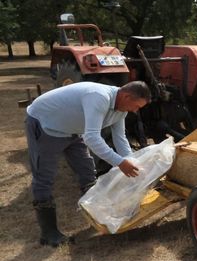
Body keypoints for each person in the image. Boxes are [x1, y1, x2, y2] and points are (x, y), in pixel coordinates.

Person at [25, 81, 151, 246]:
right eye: (136, 105)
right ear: (126, 96)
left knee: (87, 172)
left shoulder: (121, 110)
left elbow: (120, 140)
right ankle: (49, 234)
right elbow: (92, 138)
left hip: (73, 130)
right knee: (44, 177)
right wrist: (120, 163)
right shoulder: (99, 97)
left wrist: (133, 162)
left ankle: (97, 217)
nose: (136, 110)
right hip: (45, 125)